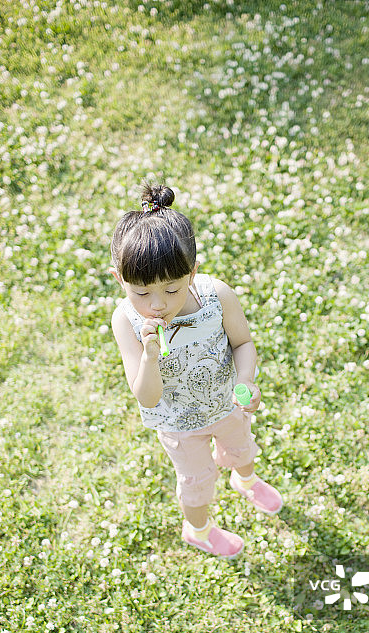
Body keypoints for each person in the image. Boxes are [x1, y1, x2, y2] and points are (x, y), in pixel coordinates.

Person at [109, 180, 283, 558]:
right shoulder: (125, 322)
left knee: (242, 449)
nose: (158, 304)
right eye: (141, 292)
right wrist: (150, 356)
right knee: (197, 482)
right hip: (178, 424)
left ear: (192, 272)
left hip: (227, 405)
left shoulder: (215, 296)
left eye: (172, 290)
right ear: (120, 280)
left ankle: (246, 479)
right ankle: (199, 530)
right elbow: (146, 396)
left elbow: (243, 343)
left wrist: (246, 381)